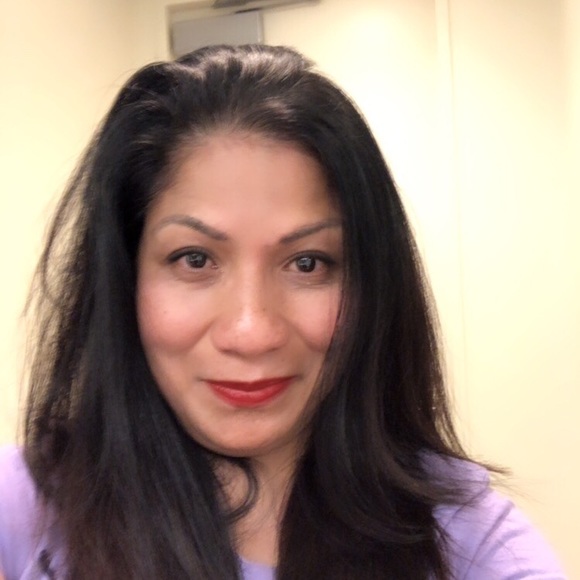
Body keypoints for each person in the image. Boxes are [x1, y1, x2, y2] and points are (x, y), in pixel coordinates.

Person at [0, 45, 565, 580]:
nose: (251, 332)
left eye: (307, 264)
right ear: (124, 279)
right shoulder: (26, 513)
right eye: (195, 259)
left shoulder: (463, 539)